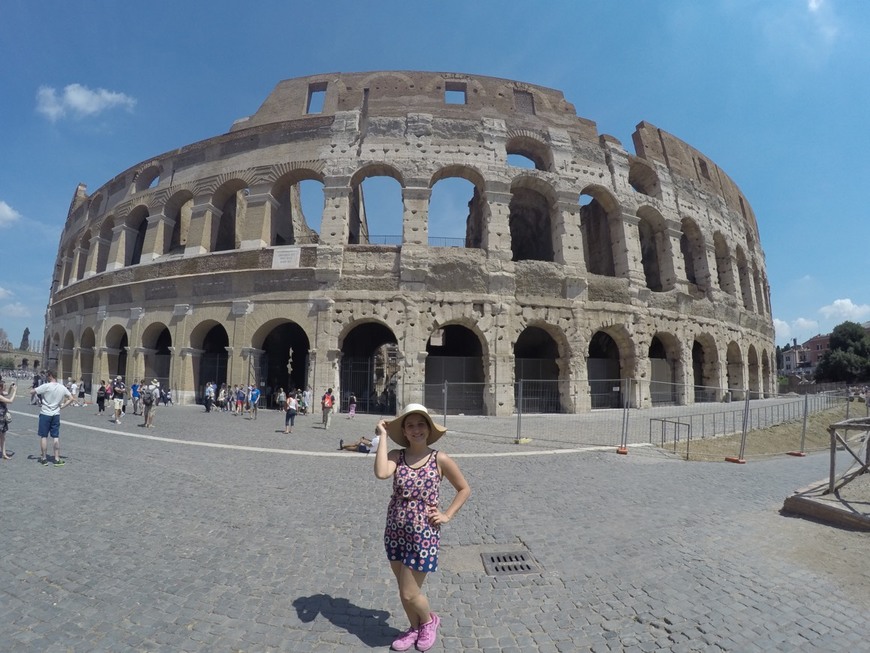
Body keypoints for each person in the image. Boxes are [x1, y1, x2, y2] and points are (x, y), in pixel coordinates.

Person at [374, 404, 470, 651]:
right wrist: (383, 435)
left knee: (409, 592)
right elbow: (381, 472)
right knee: (404, 589)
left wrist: (447, 514)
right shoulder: (397, 455)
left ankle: (428, 622)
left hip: (423, 535)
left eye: (420, 424)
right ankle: (414, 628)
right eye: (410, 425)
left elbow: (464, 489)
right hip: (395, 530)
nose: (415, 430)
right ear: (404, 431)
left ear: (428, 429)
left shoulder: (440, 458)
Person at [30, 370, 74, 466]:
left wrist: (34, 387)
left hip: (45, 413)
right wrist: (62, 406)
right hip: (56, 414)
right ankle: (57, 458)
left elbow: (32, 391)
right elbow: (71, 398)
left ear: (50, 376)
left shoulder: (46, 386)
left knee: (44, 436)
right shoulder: (62, 387)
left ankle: (44, 458)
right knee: (55, 437)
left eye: (47, 376)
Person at [0, 379, 17, 460]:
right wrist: (15, 391)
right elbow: (10, 401)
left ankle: (3, 454)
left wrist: (11, 388)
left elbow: (8, 393)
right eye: (4, 386)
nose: (5, 387)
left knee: (3, 437)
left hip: (3, 418)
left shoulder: (1, 393)